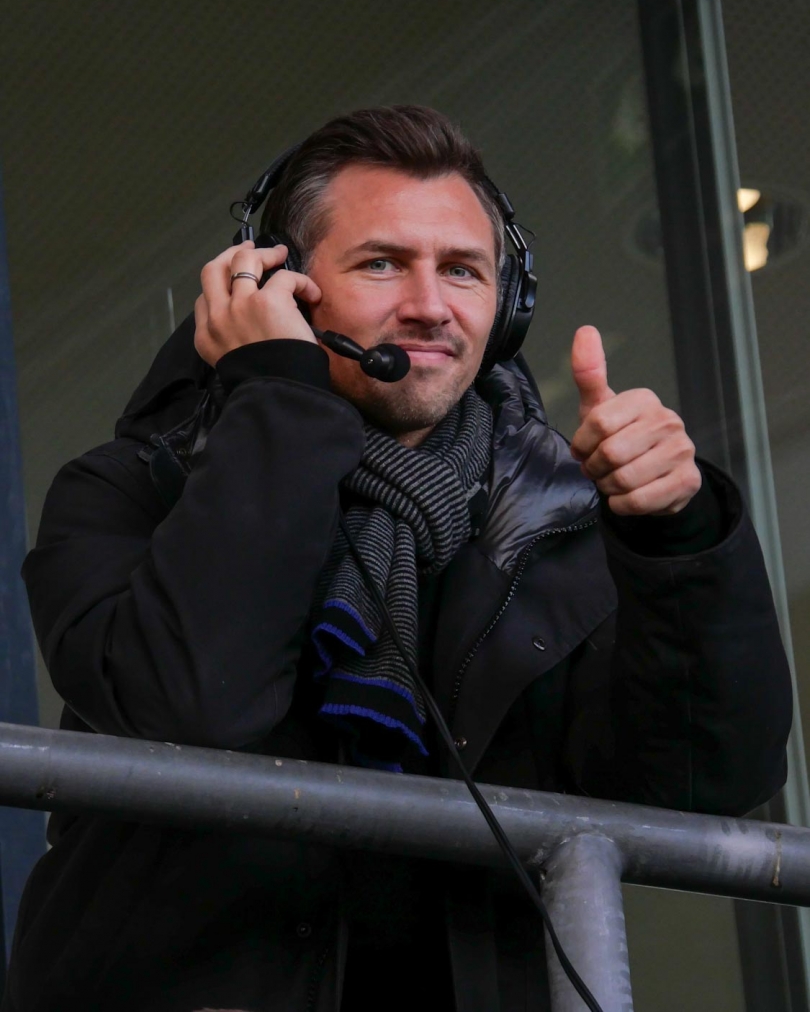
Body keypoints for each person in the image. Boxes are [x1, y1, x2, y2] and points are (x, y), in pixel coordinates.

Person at [4, 106, 792, 1012]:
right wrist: (278, 392)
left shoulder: (561, 522)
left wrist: (677, 534)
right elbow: (196, 700)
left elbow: (705, 779)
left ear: (507, 307)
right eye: (381, 263)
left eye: (462, 269)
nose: (429, 304)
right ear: (279, 287)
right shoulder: (131, 493)